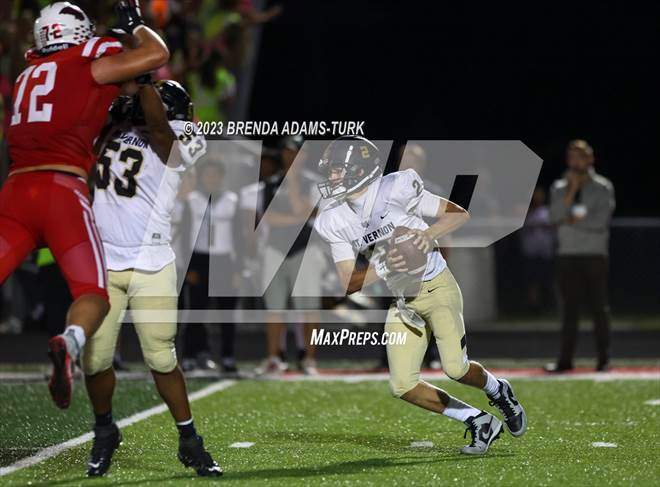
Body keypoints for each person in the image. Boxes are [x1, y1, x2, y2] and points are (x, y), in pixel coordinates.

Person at [1, 1, 169, 409]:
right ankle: (70, 342)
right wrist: (133, 25)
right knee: (93, 293)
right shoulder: (86, 60)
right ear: (78, 33)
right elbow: (156, 56)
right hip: (62, 190)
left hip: (15, 190)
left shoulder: (26, 75)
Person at [314, 136, 527, 455]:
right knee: (402, 385)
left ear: (360, 169)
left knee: (456, 369)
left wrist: (424, 238)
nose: (331, 177)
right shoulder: (333, 218)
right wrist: (386, 266)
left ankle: (499, 390)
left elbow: (457, 214)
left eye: (337, 170)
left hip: (436, 286)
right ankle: (479, 420)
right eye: (330, 170)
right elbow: (349, 281)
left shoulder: (397, 187)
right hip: (402, 303)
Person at [86, 79, 221, 477]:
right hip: (104, 260)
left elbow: (165, 138)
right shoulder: (117, 129)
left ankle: (190, 440)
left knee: (162, 357)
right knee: (94, 360)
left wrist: (143, 80)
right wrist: (112, 119)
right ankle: (104, 430)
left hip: (152, 262)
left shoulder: (184, 134)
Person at [545, 139, 615, 373]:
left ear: (591, 158)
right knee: (569, 310)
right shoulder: (559, 187)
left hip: (595, 254)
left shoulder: (603, 187)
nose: (578, 161)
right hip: (568, 255)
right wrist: (572, 191)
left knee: (599, 309)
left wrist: (570, 221)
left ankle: (603, 359)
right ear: (568, 160)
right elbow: (554, 216)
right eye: (573, 156)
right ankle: (565, 361)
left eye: (582, 156)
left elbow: (600, 222)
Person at [256, 135, 322, 376]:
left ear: (304, 155)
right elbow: (269, 218)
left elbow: (302, 209)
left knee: (309, 308)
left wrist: (293, 182)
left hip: (304, 250)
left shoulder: (315, 183)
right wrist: (299, 218)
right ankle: (274, 357)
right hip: (275, 250)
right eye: (287, 152)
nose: (291, 156)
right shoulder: (271, 183)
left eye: (296, 152)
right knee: (274, 308)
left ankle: (309, 360)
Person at [180, 160, 240, 374]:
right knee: (195, 311)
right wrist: (188, 267)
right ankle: (190, 355)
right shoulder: (193, 200)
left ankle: (228, 355)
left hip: (224, 260)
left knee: (227, 313)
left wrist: (238, 269)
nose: (211, 179)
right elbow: (186, 235)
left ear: (221, 177)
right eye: (208, 174)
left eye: (215, 174)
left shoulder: (232, 200)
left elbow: (238, 236)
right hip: (199, 259)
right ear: (201, 178)